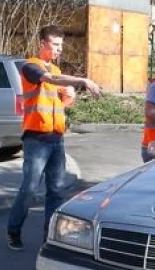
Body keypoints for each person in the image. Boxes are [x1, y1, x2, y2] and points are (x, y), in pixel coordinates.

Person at [6, 25, 101, 251]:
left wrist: (70, 96)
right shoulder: (31, 66)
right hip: (36, 140)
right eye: (55, 45)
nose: (59, 49)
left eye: (61, 45)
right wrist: (82, 80)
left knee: (56, 191)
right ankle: (13, 229)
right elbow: (46, 79)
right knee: (29, 188)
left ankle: (49, 237)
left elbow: (61, 103)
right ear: (42, 44)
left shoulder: (56, 71)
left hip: (56, 139)